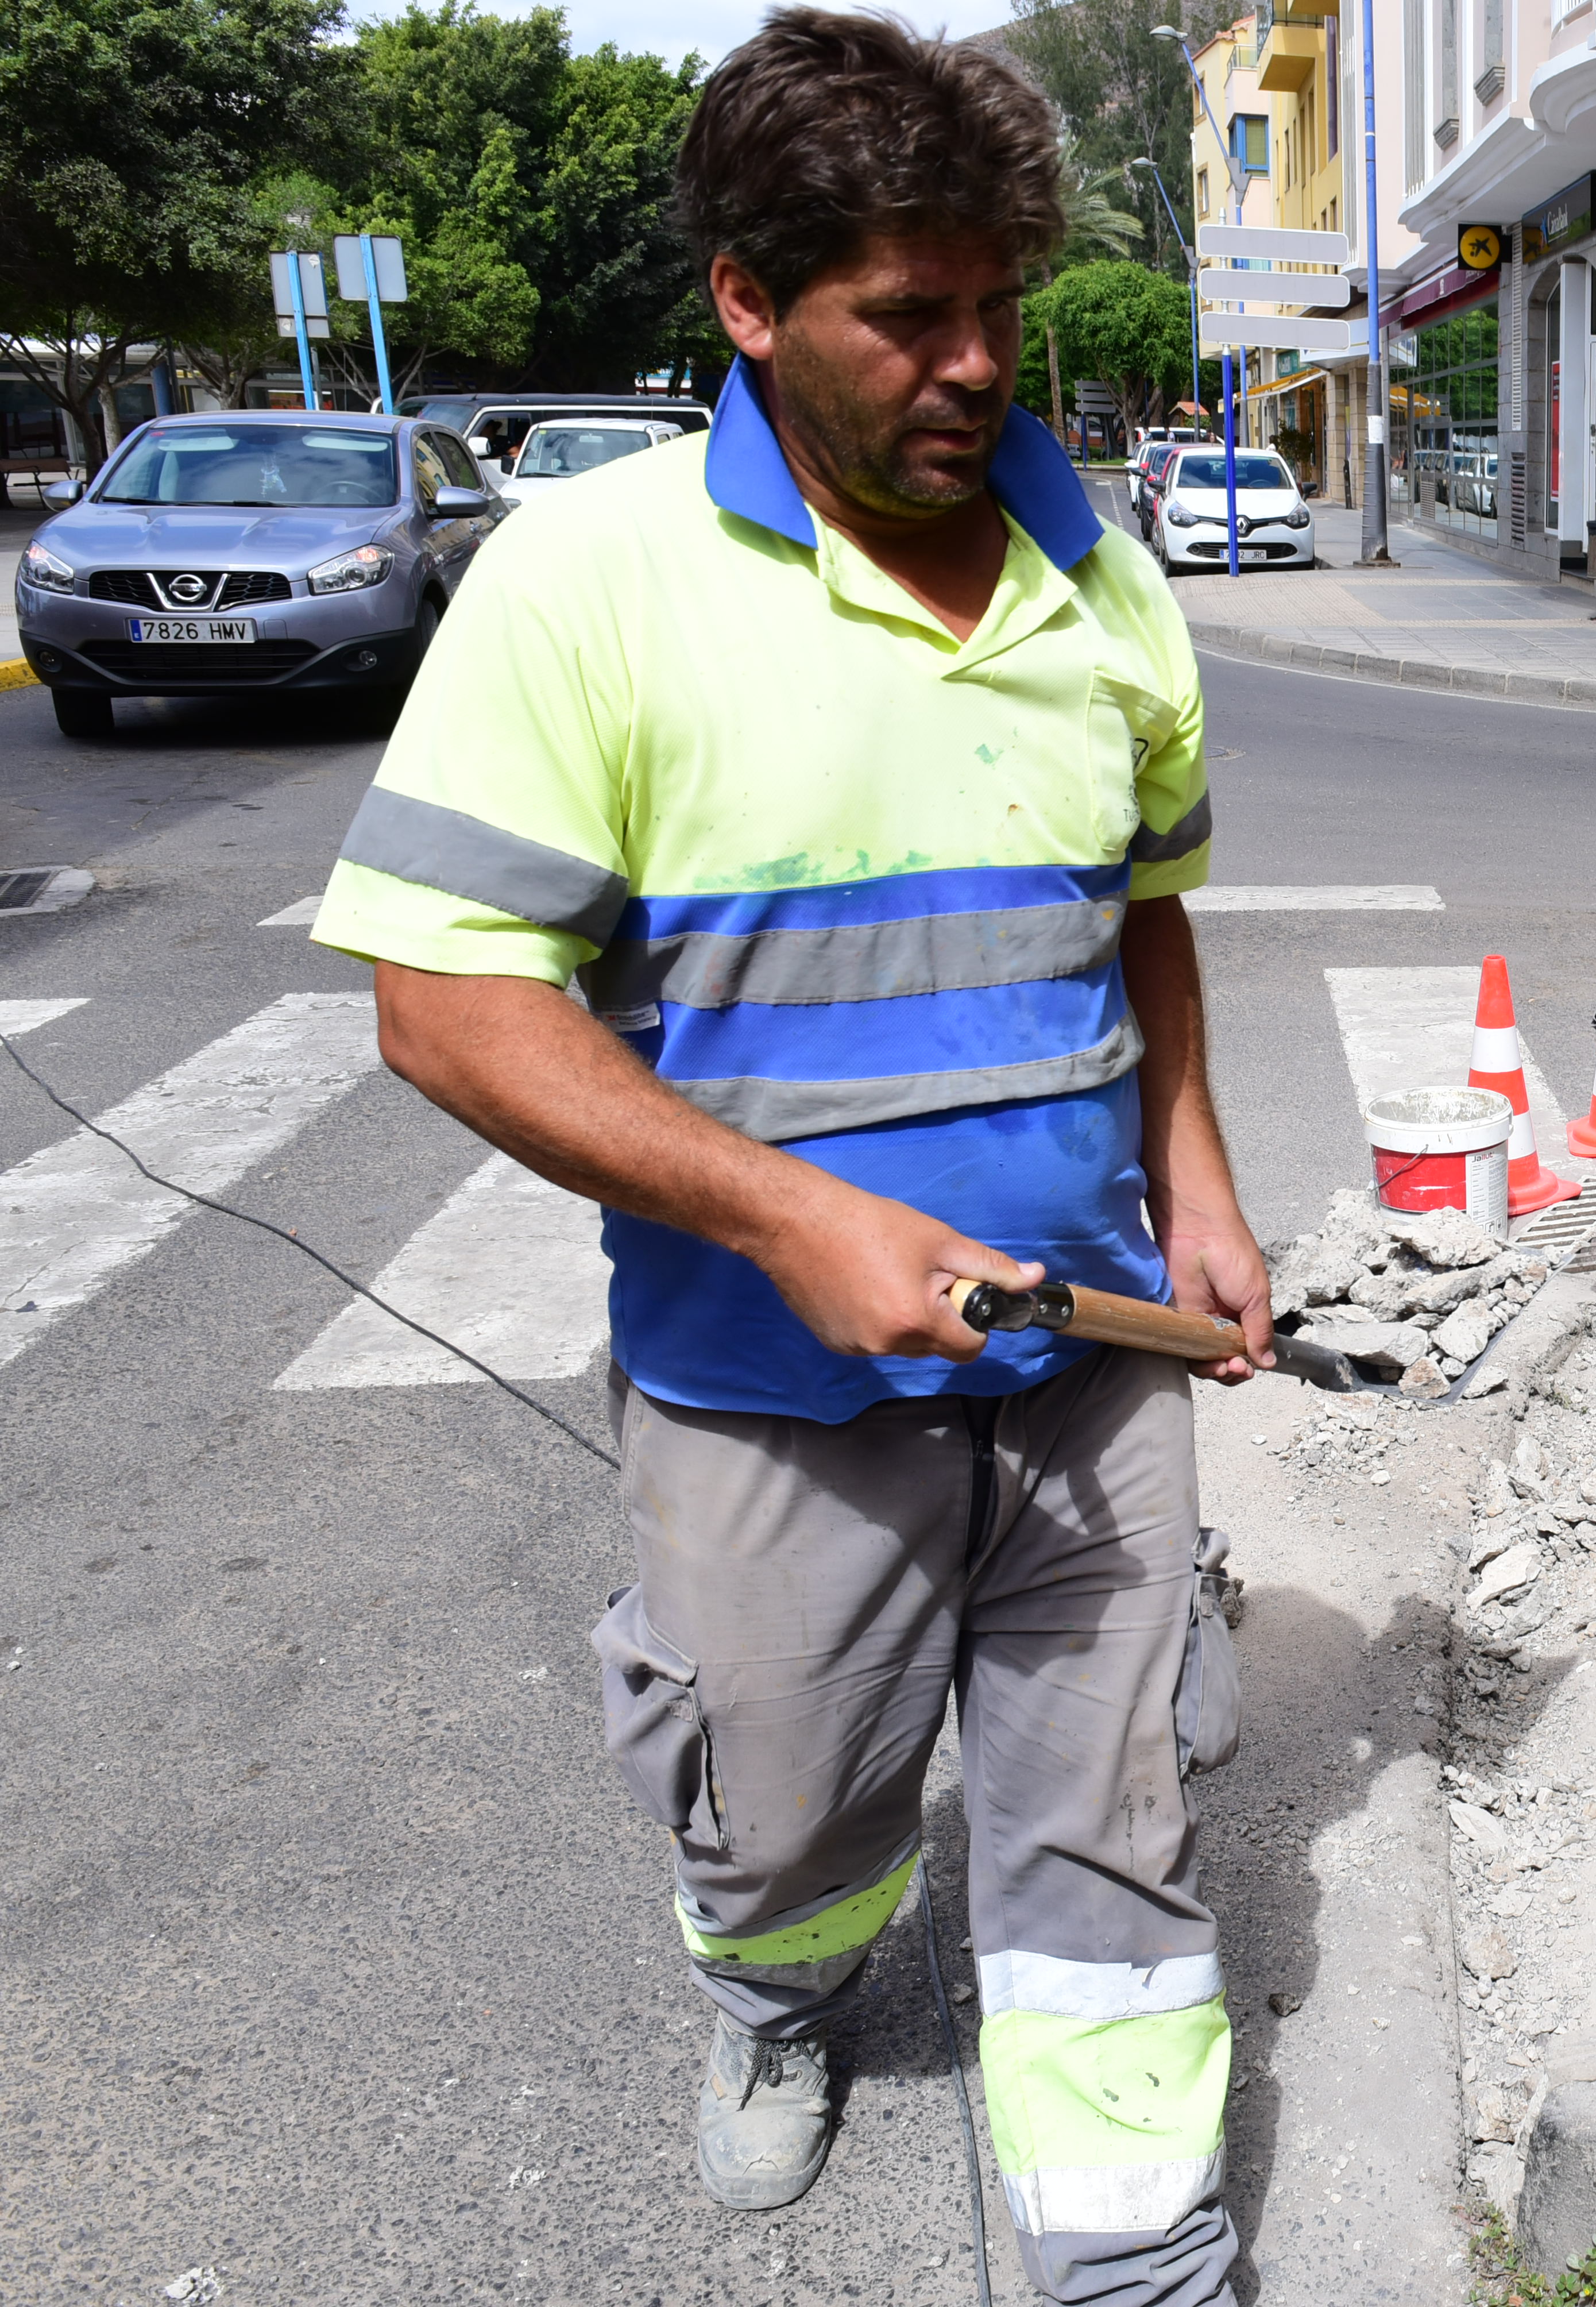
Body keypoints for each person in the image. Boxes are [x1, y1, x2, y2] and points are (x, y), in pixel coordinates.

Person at [310, 14, 1262, 2302]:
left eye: (993, 308)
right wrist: (780, 1205)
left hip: (1090, 1367)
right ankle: (777, 1989)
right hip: (762, 1383)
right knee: (798, 1805)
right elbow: (445, 997)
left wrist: (1202, 1183)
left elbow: (1142, 911)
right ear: (751, 300)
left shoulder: (1098, 564)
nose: (970, 366)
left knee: (1109, 1837)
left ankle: (1133, 2255)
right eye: (902, 316)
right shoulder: (589, 580)